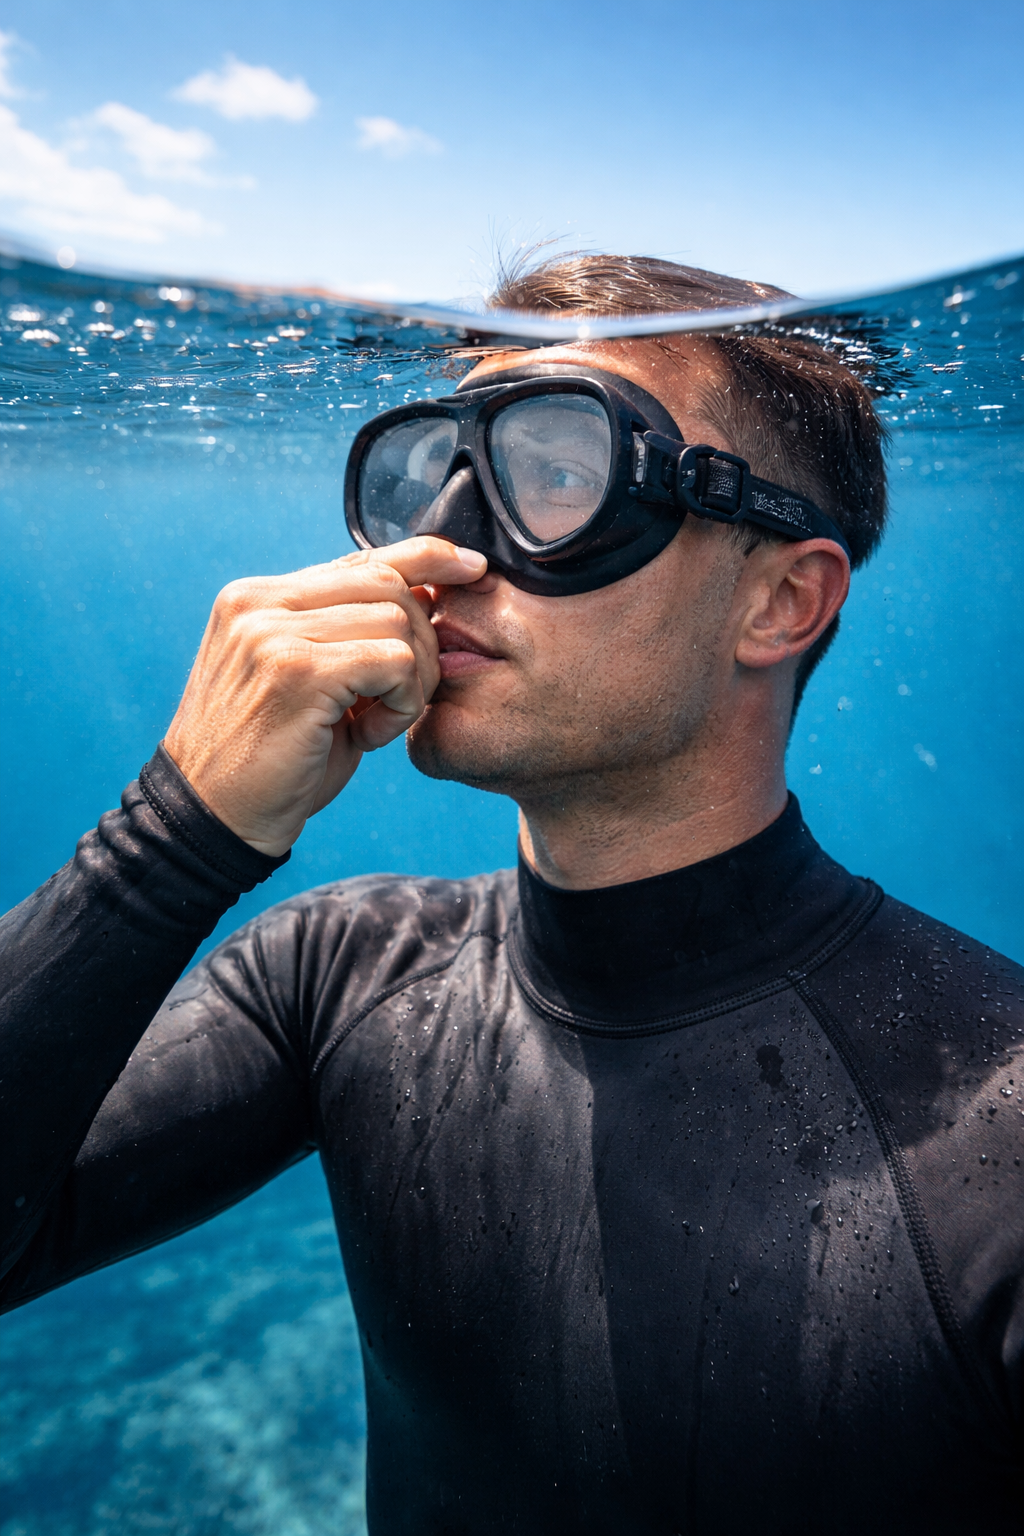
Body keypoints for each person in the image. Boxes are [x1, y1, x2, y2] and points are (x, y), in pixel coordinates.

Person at [1, 255, 1020, 1535]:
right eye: (433, 472)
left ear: (780, 601)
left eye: (559, 470)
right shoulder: (332, 973)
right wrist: (171, 835)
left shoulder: (1001, 1120)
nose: (445, 548)